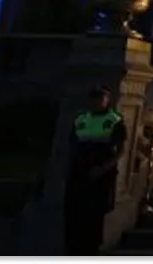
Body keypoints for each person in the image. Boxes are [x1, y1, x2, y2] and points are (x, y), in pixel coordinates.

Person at [64, 85, 127, 255]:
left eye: (101, 98)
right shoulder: (80, 119)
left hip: (100, 173)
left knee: (95, 213)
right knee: (74, 210)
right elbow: (72, 144)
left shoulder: (115, 121)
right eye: (94, 98)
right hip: (79, 171)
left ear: (108, 100)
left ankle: (92, 247)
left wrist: (103, 169)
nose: (97, 102)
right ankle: (73, 246)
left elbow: (120, 150)